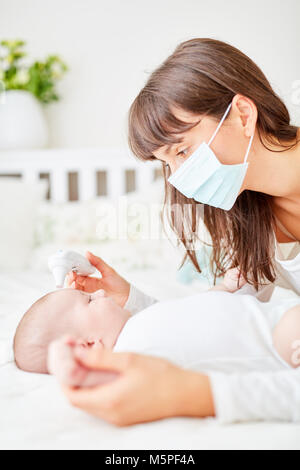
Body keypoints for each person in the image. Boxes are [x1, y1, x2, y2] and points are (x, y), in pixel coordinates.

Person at [62, 38, 300, 426]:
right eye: (164, 162)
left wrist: (189, 394)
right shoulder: (251, 210)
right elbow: (226, 322)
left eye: (182, 151)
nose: (178, 177)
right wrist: (129, 304)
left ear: (242, 114)